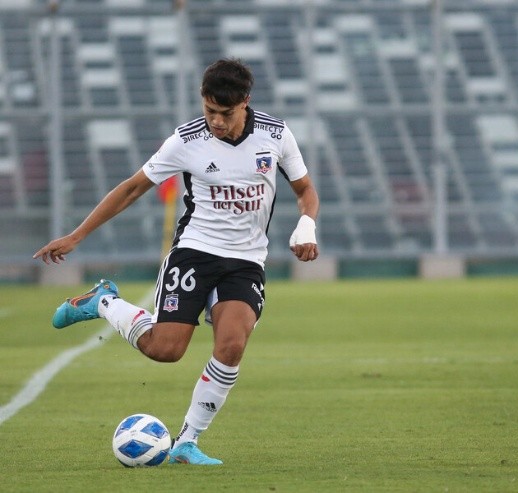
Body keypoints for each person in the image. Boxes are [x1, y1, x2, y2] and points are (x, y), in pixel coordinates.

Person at [34, 58, 320, 465]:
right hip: (195, 252)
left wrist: (307, 224)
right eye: (209, 110)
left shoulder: (275, 134)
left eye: (225, 113)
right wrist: (76, 236)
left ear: (245, 102)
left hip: (246, 260)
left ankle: (187, 441)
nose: (215, 121)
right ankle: (103, 302)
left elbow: (305, 190)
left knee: (232, 345)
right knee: (166, 350)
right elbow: (132, 188)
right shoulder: (186, 141)